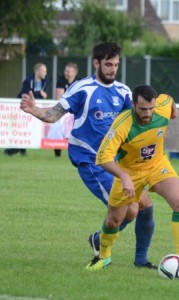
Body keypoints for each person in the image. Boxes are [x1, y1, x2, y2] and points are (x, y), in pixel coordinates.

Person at [20, 42, 156, 269]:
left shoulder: (123, 91)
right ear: (96, 63)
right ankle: (103, 253)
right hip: (90, 160)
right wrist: (34, 110)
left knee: (144, 205)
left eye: (116, 65)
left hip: (114, 161)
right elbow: (55, 114)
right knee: (127, 209)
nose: (113, 69)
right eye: (108, 64)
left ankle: (136, 258)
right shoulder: (82, 88)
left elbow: (134, 123)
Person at [85, 85, 179, 273]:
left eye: (151, 109)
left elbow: (168, 97)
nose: (147, 114)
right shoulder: (122, 125)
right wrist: (124, 177)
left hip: (157, 165)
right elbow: (103, 158)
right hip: (129, 171)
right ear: (133, 105)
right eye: (142, 109)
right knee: (115, 219)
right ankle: (103, 257)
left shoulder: (160, 108)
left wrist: (175, 111)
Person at [4, 63, 48, 156]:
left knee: (29, 128)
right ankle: (14, 149)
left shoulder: (45, 82)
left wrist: (41, 95)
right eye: (43, 71)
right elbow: (25, 95)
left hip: (34, 108)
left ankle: (20, 149)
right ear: (37, 70)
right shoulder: (28, 81)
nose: (45, 73)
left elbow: (44, 95)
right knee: (21, 127)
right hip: (22, 108)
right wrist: (39, 94)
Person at [51, 62, 79, 157]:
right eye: (65, 71)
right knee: (59, 130)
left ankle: (74, 153)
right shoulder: (61, 81)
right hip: (63, 109)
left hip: (74, 111)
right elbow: (59, 96)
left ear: (74, 73)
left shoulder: (78, 83)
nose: (66, 73)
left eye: (68, 71)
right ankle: (57, 153)